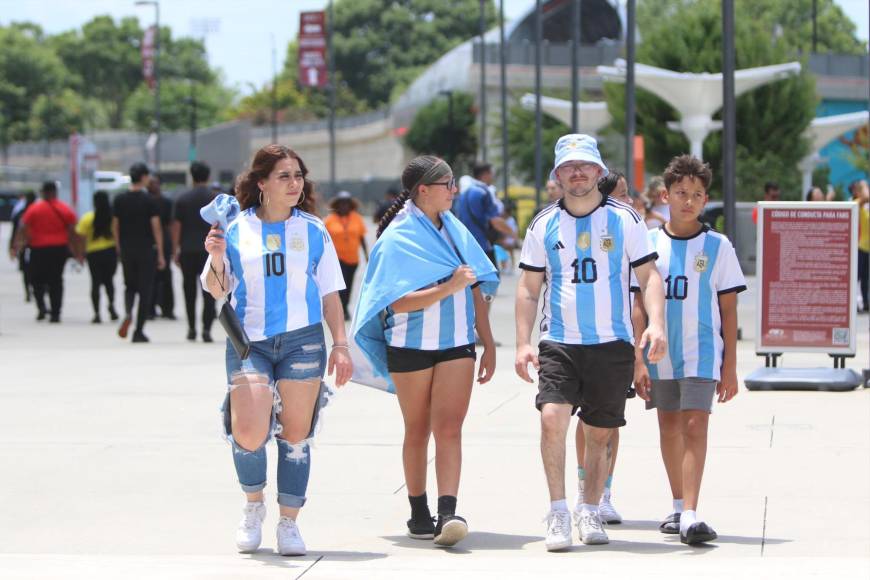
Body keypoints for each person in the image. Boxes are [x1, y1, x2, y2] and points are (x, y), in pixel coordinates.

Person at [514, 134, 666, 551]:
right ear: (558, 174)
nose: (577, 173)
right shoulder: (543, 223)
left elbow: (649, 276)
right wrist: (522, 342)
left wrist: (656, 324)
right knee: (551, 421)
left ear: (599, 172)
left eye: (585, 166)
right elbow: (528, 287)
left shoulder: (625, 219)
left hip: (611, 343)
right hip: (560, 341)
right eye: (568, 166)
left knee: (600, 433)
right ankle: (559, 511)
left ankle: (590, 507)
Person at [201, 144, 352, 557]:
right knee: (249, 432)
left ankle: (289, 522)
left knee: (296, 435)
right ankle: (253, 506)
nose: (294, 183)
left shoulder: (313, 229)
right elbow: (216, 288)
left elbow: (330, 293)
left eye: (298, 176)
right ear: (262, 183)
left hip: (303, 340)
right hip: (250, 341)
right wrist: (215, 256)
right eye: (284, 176)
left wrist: (340, 344)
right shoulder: (235, 229)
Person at [351, 155, 498, 548]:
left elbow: (476, 288)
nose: (454, 191)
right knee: (417, 428)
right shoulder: (398, 237)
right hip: (410, 346)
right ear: (423, 190)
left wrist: (488, 343)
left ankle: (449, 512)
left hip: (456, 343)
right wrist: (446, 288)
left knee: (449, 429)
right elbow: (395, 302)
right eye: (447, 184)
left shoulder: (455, 230)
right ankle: (419, 511)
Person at [632, 154, 746, 545]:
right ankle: (678, 504)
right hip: (660, 354)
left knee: (696, 423)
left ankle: (692, 513)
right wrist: (637, 361)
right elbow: (636, 307)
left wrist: (730, 365)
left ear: (705, 199)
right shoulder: (647, 243)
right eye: (681, 193)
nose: (688, 201)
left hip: (702, 352)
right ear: (665, 194)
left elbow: (729, 310)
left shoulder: (718, 245)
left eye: (696, 194)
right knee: (669, 426)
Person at [12, 182, 82, 322]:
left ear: (43, 192)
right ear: (55, 192)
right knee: (56, 280)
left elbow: (23, 227)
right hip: (59, 249)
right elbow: (73, 232)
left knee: (36, 280)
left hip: (38, 249)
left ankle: (42, 307)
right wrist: (77, 252)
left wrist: (18, 245)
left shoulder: (34, 209)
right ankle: (56, 313)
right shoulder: (65, 209)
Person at [112, 162, 166, 343]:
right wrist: (160, 253)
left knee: (129, 286)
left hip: (127, 249)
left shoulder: (120, 199)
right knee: (145, 290)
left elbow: (115, 226)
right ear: (143, 177)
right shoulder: (150, 200)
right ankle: (139, 330)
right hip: (146, 249)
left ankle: (128, 313)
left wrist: (119, 246)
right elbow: (156, 227)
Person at [172, 161, 217, 341]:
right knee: (210, 290)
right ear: (208, 176)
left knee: (189, 289)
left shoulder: (183, 199)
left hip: (188, 249)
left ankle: (191, 328)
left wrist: (176, 249)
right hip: (210, 251)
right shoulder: (215, 198)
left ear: (191, 176)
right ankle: (207, 329)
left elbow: (176, 226)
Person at [453, 162, 513, 267]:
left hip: (465, 246)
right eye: (492, 173)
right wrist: (513, 234)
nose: (493, 177)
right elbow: (495, 221)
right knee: (491, 279)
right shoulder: (484, 191)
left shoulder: (464, 194)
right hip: (482, 245)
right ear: (485, 175)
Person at [324, 191, 368, 320]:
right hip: (337, 259)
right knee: (340, 286)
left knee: (349, 285)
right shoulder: (330, 220)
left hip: (353, 260)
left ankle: (345, 306)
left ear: (350, 204)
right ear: (337, 204)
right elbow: (324, 240)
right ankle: (341, 309)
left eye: (347, 203)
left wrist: (366, 255)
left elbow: (361, 238)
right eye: (342, 203)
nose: (344, 206)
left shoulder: (357, 218)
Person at [76, 191, 119, 323]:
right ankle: (111, 305)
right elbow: (118, 235)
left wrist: (80, 254)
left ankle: (97, 313)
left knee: (95, 282)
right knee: (109, 281)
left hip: (93, 253)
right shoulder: (113, 218)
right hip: (110, 252)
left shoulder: (87, 218)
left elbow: (81, 238)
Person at [149, 175, 176, 320]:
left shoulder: (166, 202)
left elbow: (171, 224)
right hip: (149, 241)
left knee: (166, 276)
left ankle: (167, 308)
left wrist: (173, 245)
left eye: (156, 183)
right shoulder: (147, 201)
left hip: (164, 240)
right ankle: (150, 308)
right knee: (150, 277)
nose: (154, 186)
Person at [8, 191, 36, 303]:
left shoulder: (20, 212)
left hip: (24, 245)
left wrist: (12, 247)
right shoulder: (36, 212)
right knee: (36, 270)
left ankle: (28, 291)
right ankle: (35, 290)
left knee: (25, 271)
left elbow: (15, 232)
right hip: (37, 246)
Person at [850, 179, 869, 312]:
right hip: (859, 246)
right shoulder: (855, 203)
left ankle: (866, 303)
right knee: (856, 277)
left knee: (866, 278)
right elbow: (866, 197)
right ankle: (853, 304)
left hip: (867, 247)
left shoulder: (866, 207)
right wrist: (864, 185)